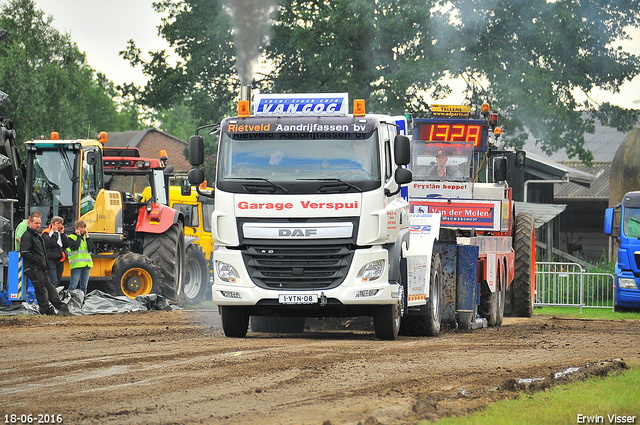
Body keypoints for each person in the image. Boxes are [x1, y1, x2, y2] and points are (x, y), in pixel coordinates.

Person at [19, 211, 71, 316]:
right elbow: (24, 252)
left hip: (41, 268)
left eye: (39, 223)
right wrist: (38, 261)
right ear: (30, 222)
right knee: (41, 290)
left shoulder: (37, 236)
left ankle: (61, 308)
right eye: (36, 223)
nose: (38, 225)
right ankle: (46, 310)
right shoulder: (27, 236)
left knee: (50, 288)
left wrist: (43, 263)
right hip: (33, 268)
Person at [66, 220, 94, 295]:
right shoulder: (71, 237)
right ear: (77, 228)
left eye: (84, 227)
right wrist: (78, 236)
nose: (84, 229)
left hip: (87, 264)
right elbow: (75, 247)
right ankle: (69, 300)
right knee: (73, 285)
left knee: (84, 286)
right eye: (81, 227)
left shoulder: (85, 238)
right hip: (77, 264)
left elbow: (91, 248)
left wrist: (88, 237)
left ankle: (82, 300)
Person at [42, 216, 69, 288]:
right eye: (58, 223)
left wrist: (62, 234)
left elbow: (66, 244)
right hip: (51, 259)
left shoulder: (60, 233)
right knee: (53, 280)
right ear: (52, 224)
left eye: (61, 224)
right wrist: (56, 233)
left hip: (60, 259)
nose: (60, 225)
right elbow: (52, 243)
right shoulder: (46, 233)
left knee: (58, 280)